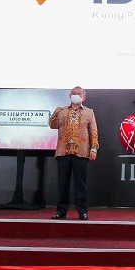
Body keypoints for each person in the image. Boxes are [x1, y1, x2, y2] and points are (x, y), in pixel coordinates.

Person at [49, 86, 99, 220]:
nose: (76, 95)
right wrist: (54, 114)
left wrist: (94, 148)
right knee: (62, 183)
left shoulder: (89, 112)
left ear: (84, 97)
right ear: (70, 96)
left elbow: (93, 131)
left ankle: (82, 211)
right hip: (63, 151)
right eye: (74, 93)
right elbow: (52, 125)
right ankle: (61, 211)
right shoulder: (62, 111)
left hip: (81, 151)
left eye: (79, 94)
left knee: (81, 184)